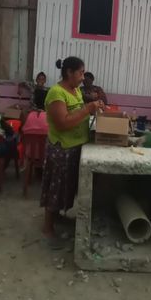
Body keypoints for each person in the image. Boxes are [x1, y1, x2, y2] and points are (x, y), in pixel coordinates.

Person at [40, 57, 105, 248]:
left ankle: (58, 216)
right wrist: (87, 109)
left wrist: (93, 108)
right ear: (69, 72)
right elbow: (63, 123)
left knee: (68, 187)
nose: (83, 77)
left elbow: (77, 113)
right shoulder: (56, 93)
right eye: (81, 72)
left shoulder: (75, 90)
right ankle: (47, 228)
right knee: (56, 188)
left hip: (77, 145)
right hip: (62, 149)